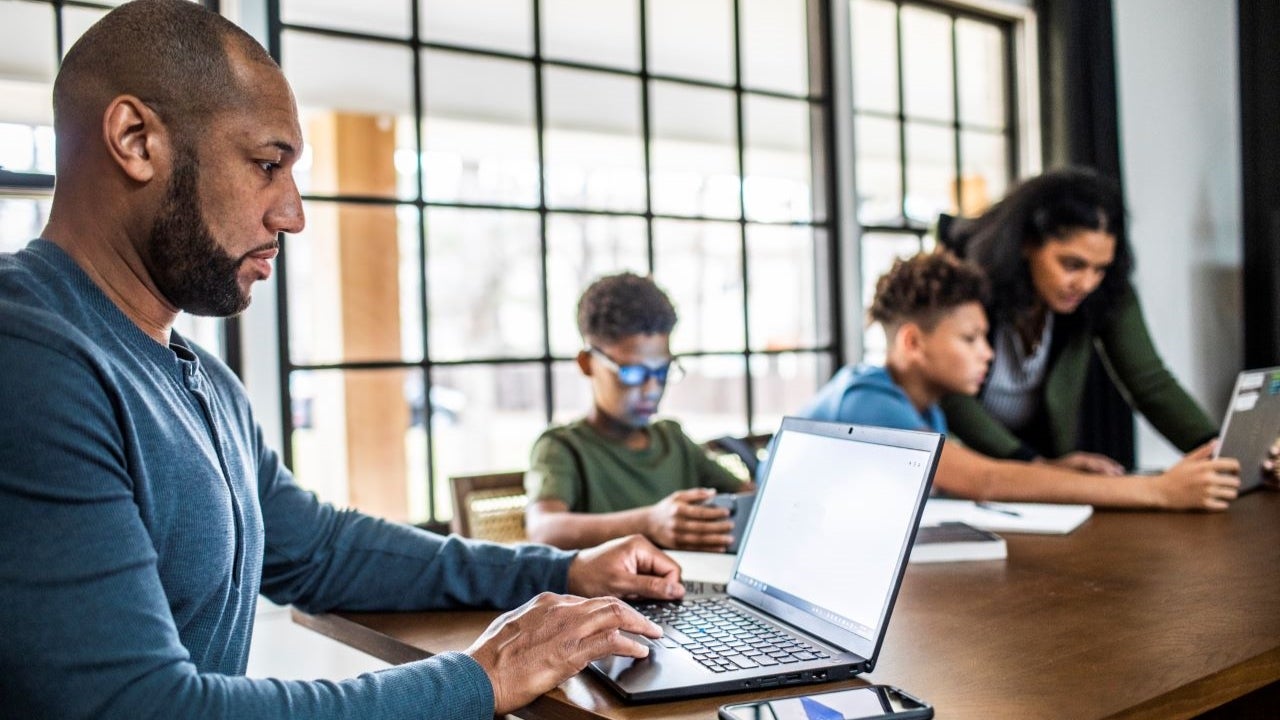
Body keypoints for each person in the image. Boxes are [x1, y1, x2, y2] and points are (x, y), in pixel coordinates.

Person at [0, 2, 687, 718]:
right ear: (137, 139)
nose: (292, 213)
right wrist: (479, 677)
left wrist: (563, 569)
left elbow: (322, 550)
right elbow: (141, 709)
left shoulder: (204, 385)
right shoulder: (30, 359)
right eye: (268, 164)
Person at [800, 252, 1240, 509]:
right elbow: (984, 479)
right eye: (970, 339)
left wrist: (1047, 469)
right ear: (913, 342)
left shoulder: (923, 405)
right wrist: (1158, 490)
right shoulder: (868, 401)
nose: (987, 353)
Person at [938, 167, 1219, 474]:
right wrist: (1033, 465)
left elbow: (1150, 384)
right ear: (1026, 243)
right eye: (1072, 264)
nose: (1086, 284)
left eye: (1100, 269)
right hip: (968, 468)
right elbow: (951, 395)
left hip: (1043, 465)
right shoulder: (968, 286)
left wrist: (1217, 449)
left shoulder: (1105, 291)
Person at [524, 272, 752, 551]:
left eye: (662, 371)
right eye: (632, 373)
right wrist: (648, 523)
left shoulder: (673, 439)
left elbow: (750, 498)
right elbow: (543, 529)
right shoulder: (563, 447)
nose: (652, 388)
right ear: (587, 363)